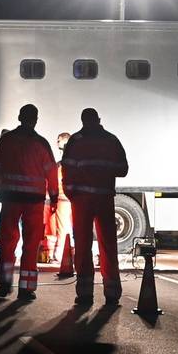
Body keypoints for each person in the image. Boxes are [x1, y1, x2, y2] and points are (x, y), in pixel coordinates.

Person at [0, 104, 57, 301]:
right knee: (31, 244)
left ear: (19, 117)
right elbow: (51, 171)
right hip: (34, 200)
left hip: (10, 198)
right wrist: (53, 196)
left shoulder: (6, 141)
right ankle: (26, 289)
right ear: (35, 119)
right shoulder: (41, 144)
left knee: (7, 241)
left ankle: (4, 284)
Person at [63, 108, 129, 306]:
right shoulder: (111, 140)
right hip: (104, 197)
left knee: (82, 244)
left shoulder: (75, 141)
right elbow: (123, 169)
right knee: (108, 244)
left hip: (81, 200)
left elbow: (66, 168)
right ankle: (112, 292)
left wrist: (71, 192)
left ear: (82, 120)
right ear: (99, 120)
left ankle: (84, 293)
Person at [50, 132, 74, 266]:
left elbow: (57, 180)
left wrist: (53, 196)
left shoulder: (62, 164)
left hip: (63, 198)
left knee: (63, 228)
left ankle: (60, 255)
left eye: (58, 140)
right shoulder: (74, 160)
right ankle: (70, 253)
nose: (56, 142)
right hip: (73, 198)